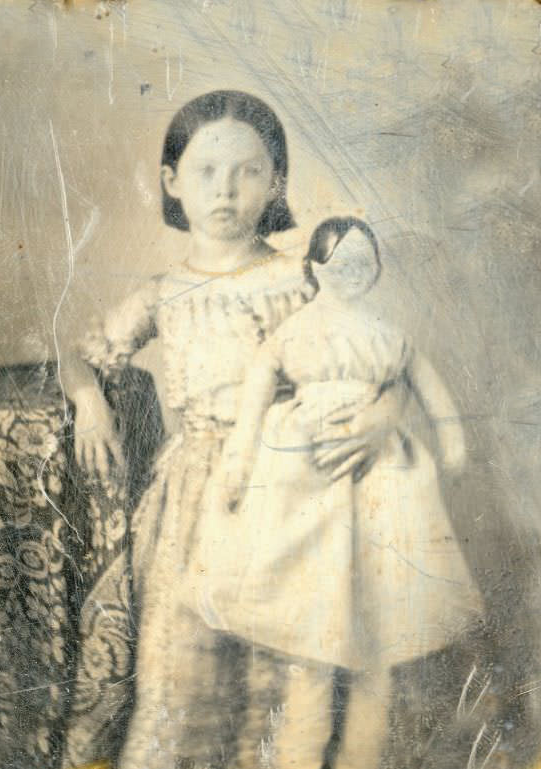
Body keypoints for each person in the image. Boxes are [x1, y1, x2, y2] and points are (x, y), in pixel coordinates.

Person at [66, 92, 404, 769]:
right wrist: (90, 402)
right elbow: (80, 353)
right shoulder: (166, 291)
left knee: (283, 668)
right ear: (171, 182)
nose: (225, 190)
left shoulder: (301, 278)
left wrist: (377, 421)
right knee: (180, 661)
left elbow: (380, 362)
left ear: (277, 180)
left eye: (248, 172)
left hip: (292, 489)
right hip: (197, 496)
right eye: (206, 172)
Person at [188, 217, 484, 768]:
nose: (351, 274)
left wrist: (452, 442)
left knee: (376, 649)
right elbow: (254, 400)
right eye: (339, 263)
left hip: (382, 492)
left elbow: (431, 390)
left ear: (373, 273)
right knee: (311, 653)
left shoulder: (389, 336)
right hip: (305, 491)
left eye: (361, 264)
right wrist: (236, 463)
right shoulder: (291, 334)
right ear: (316, 269)